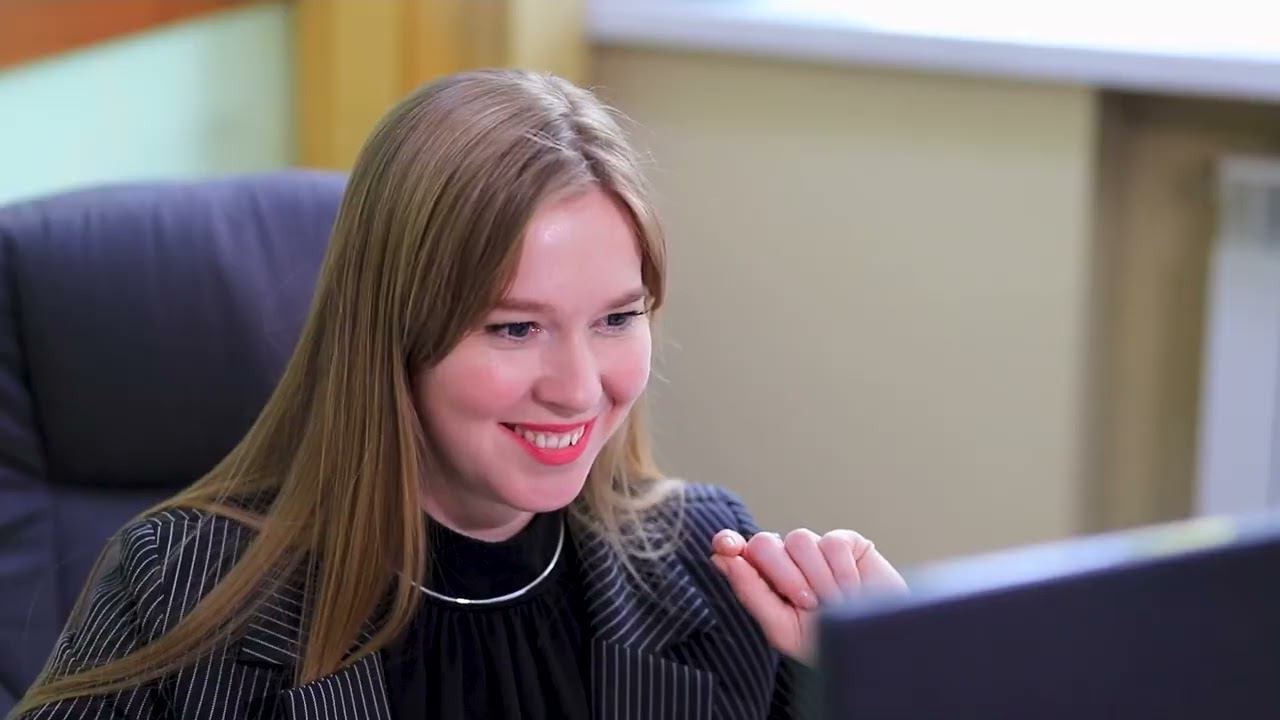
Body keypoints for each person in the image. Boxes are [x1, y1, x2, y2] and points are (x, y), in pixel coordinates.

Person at [13, 69, 905, 720]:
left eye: (616, 318)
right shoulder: (180, 587)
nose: (578, 389)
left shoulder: (702, 565)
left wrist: (886, 686)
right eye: (514, 328)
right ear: (391, 334)